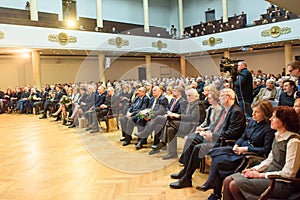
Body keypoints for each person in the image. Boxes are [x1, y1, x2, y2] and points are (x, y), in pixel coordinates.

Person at [169, 88, 246, 189]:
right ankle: (185, 171)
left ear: (228, 97)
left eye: (222, 97)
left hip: (222, 142)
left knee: (198, 148)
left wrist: (213, 135)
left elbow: (232, 133)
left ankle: (187, 178)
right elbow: (215, 125)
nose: (219, 98)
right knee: (191, 140)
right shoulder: (226, 109)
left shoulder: (236, 111)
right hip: (215, 137)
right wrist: (206, 132)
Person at [198, 100, 275, 200]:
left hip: (250, 154)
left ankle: (214, 190)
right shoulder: (252, 121)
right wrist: (237, 144)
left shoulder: (269, 128)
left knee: (218, 161)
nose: (253, 114)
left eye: (257, 112)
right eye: (253, 111)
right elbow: (243, 137)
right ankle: (213, 186)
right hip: (239, 149)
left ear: (265, 113)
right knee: (214, 152)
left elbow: (265, 149)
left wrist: (245, 149)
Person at [223, 106, 300, 200]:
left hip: (282, 182)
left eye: (274, 117)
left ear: (284, 121)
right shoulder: (278, 136)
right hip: (269, 174)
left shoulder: (294, 142)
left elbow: (289, 174)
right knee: (227, 180)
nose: (270, 119)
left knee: (235, 185)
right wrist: (254, 169)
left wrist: (260, 175)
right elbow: (269, 160)